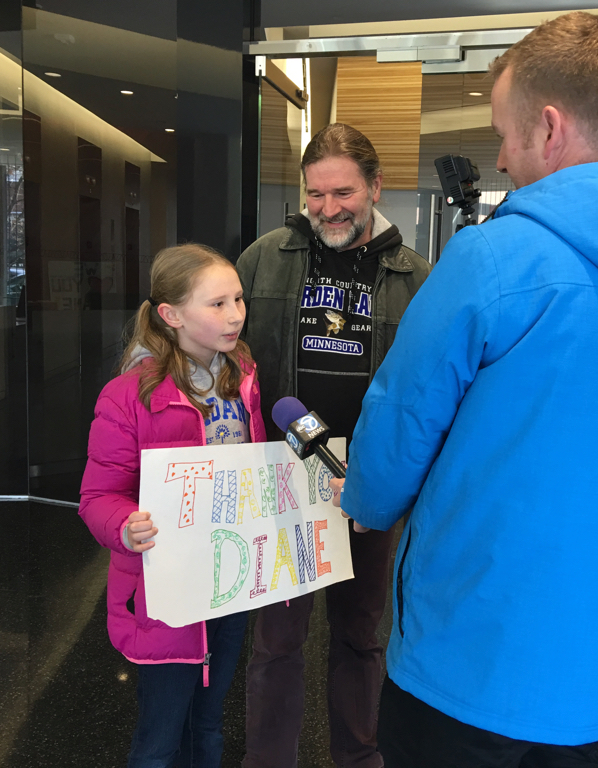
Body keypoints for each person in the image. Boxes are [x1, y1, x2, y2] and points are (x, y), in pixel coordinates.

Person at [330, 12, 598, 768]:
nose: (500, 154)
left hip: (477, 661)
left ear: (549, 128)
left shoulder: (493, 256)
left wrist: (365, 502)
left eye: (506, 131)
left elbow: (401, 418)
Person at [236, 123, 431, 768]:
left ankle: (358, 756)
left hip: (368, 484)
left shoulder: (417, 276)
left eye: (343, 192)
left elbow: (430, 384)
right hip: (282, 480)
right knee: (276, 641)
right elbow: (229, 353)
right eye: (314, 194)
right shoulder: (265, 257)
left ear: (376, 186)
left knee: (359, 633)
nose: (327, 209)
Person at [79, 244, 266, 768]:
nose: (235, 315)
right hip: (164, 595)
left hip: (228, 584)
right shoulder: (128, 397)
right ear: (171, 315)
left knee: (208, 725)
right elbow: (97, 498)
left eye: (238, 299)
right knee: (160, 738)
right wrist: (125, 526)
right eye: (216, 304)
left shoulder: (242, 379)